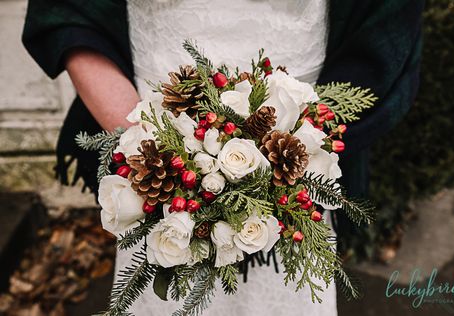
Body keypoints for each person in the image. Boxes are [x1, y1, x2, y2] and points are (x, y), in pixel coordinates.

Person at [22, 0, 424, 315]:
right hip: (149, 143)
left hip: (301, 151)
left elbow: (388, 21)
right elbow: (69, 11)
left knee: (288, 293)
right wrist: (147, 149)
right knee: (167, 276)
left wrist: (299, 150)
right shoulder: (151, 157)